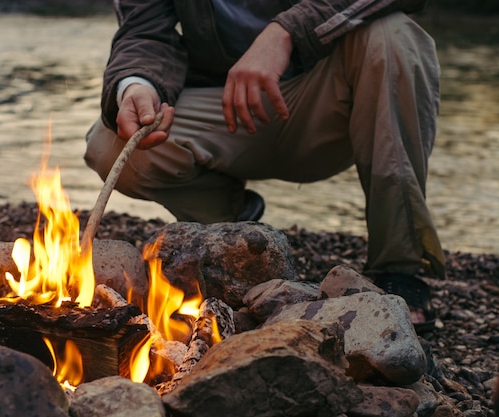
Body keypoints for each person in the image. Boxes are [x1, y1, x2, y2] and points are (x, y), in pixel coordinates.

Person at [84, 0, 445, 330]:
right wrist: (138, 84)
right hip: (225, 107)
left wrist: (286, 32)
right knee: (111, 143)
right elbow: (145, 30)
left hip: (332, 101)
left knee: (393, 36)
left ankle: (398, 267)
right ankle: (231, 231)